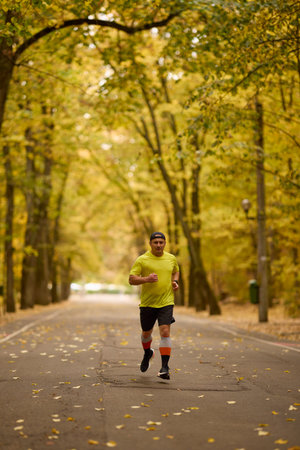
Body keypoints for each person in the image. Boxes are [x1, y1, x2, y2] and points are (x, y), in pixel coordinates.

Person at [129, 232, 179, 380]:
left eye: (161, 242)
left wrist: (176, 282)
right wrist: (146, 279)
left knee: (164, 331)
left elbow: (176, 271)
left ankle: (164, 367)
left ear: (165, 243)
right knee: (146, 334)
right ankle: (147, 353)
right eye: (155, 242)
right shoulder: (142, 260)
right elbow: (131, 280)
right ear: (150, 244)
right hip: (148, 303)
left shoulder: (171, 258)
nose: (158, 245)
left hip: (166, 302)